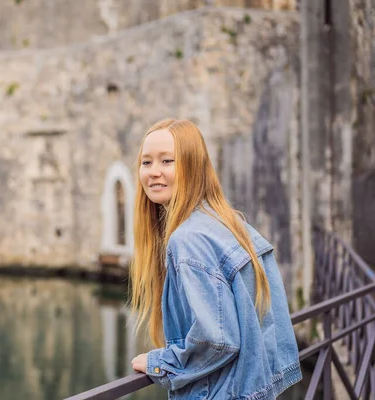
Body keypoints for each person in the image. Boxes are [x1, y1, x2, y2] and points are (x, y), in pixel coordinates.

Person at [129, 119, 301, 399]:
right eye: (146, 162)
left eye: (167, 161)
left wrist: (160, 364)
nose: (153, 172)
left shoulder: (188, 240)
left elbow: (216, 340)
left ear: (192, 166)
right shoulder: (229, 223)